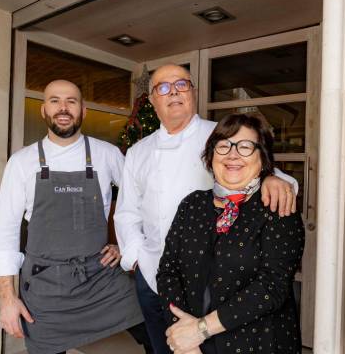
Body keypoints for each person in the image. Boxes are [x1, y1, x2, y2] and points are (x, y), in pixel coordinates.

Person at [114, 65, 298, 354]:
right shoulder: (139, 151)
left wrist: (273, 177)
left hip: (211, 284)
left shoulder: (222, 135)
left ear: (193, 92)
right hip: (153, 277)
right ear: (152, 99)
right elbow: (126, 212)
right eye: (163, 87)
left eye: (182, 84)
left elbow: (266, 176)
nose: (173, 91)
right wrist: (137, 258)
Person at [0, 79, 151, 354]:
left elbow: (143, 204)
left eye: (71, 101)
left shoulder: (107, 154)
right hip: (44, 285)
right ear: (44, 110)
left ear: (83, 111)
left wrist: (125, 245)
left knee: (154, 327)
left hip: (101, 277)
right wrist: (7, 298)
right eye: (54, 101)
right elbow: (5, 231)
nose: (63, 108)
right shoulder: (21, 162)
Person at [158, 113, 305, 354]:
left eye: (245, 146)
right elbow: (168, 271)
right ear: (211, 155)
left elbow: (272, 287)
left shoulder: (277, 208)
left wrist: (200, 330)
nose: (232, 154)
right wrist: (184, 335)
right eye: (223, 145)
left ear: (263, 158)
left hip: (258, 343)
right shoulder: (192, 204)